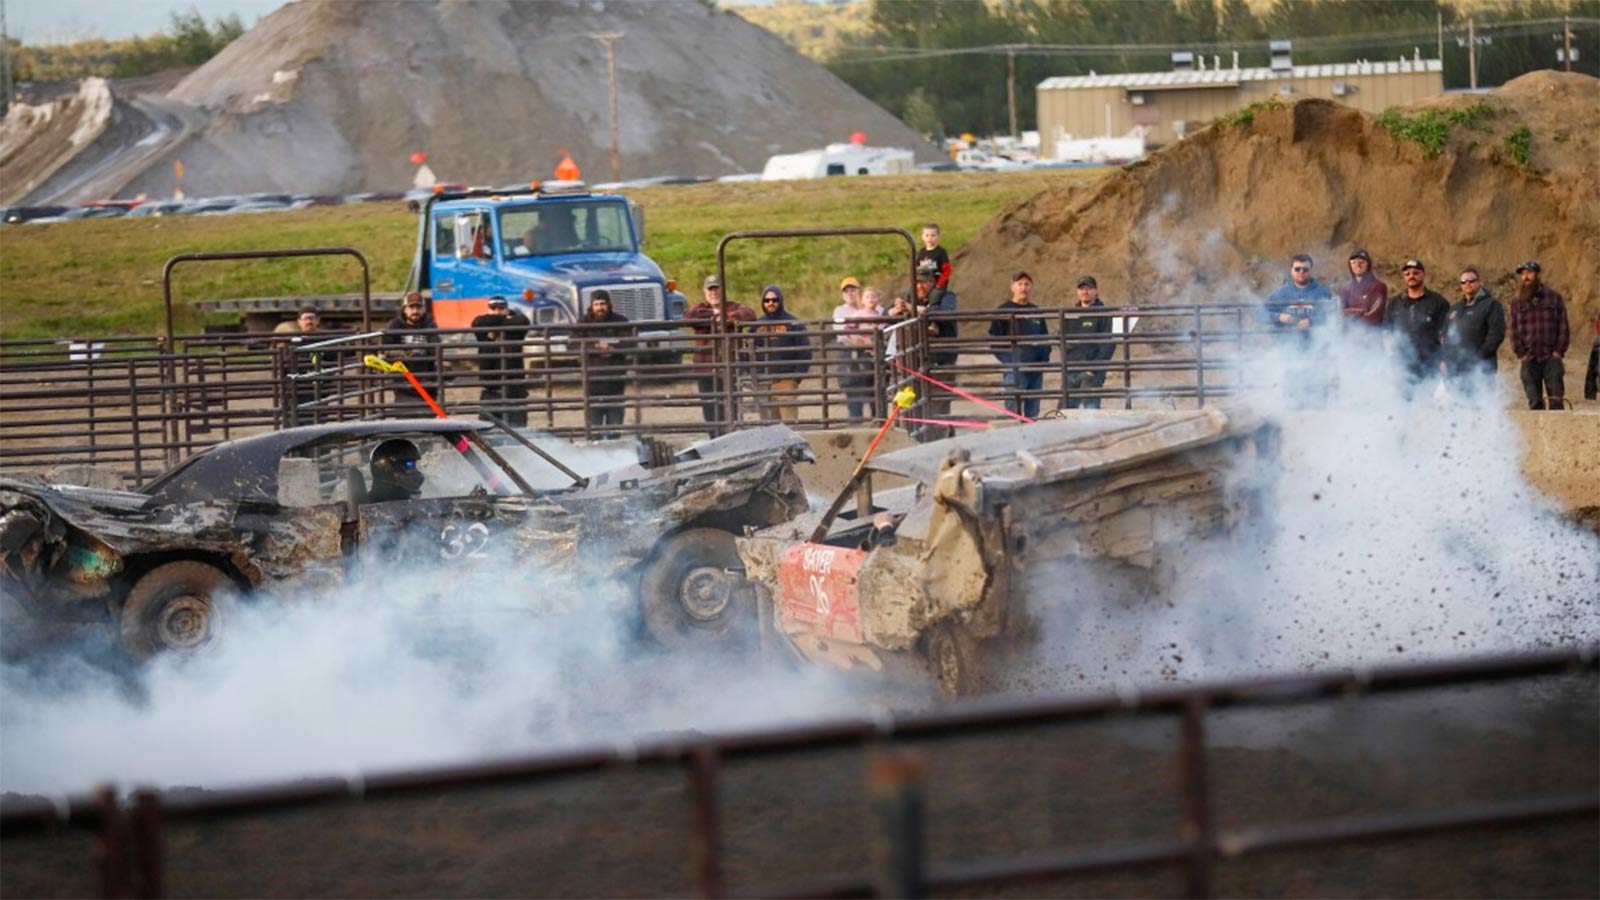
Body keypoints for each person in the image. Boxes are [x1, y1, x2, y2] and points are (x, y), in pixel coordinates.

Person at [684, 274, 756, 428]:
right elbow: (689, 316)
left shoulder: (734, 307)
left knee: (731, 408)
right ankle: (714, 440)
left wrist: (724, 317)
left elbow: (749, 314)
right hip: (705, 369)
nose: (714, 293)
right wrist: (716, 317)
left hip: (729, 368)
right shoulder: (700, 308)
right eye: (710, 289)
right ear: (705, 292)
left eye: (717, 289)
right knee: (710, 411)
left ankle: (731, 439)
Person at [1508, 260, 1571, 411]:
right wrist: (1521, 353)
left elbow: (1563, 326)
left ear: (1537, 275)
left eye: (1529, 273)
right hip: (1529, 359)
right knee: (1534, 403)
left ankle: (1556, 433)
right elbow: (1514, 330)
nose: (1526, 277)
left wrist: (1558, 352)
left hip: (1551, 357)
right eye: (1523, 274)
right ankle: (1538, 434)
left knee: (1556, 401)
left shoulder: (1554, 298)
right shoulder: (1517, 302)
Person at [988, 271, 1051, 420]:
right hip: (1015, 369)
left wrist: (1043, 360)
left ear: (1031, 287)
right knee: (1012, 409)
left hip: (1035, 369)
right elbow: (994, 340)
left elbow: (1045, 337)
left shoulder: (1036, 311)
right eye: (1020, 284)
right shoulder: (1003, 310)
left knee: (1033, 411)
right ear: (1012, 287)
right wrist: (1009, 361)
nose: (1023, 288)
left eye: (1027, 284)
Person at [1384, 258, 1450, 386]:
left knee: (1426, 403)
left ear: (1424, 275)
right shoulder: (1394, 303)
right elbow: (1387, 333)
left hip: (1430, 365)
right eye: (1407, 274)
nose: (1411, 276)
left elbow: (1445, 335)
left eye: (1415, 273)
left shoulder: (1438, 302)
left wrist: (1445, 360)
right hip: (1401, 366)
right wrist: (1390, 357)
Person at [751, 284, 811, 423]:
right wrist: (754, 373)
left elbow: (805, 351)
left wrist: (795, 378)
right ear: (763, 302)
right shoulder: (757, 325)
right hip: (764, 380)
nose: (770, 303)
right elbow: (749, 350)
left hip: (786, 379)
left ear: (780, 300)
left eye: (774, 299)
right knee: (768, 424)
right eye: (767, 300)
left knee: (789, 423)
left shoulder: (793, 323)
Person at [578, 290, 631, 438]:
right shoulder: (583, 323)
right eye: (596, 304)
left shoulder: (620, 321)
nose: (599, 307)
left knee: (615, 414)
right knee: (594, 416)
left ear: (608, 304)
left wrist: (613, 348)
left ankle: (614, 444)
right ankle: (595, 443)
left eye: (602, 304)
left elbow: (630, 342)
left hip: (615, 377)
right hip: (592, 377)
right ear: (591, 305)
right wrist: (592, 348)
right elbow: (573, 344)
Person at [470, 296, 530, 427]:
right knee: (488, 434)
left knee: (519, 433)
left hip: (514, 390)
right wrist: (504, 322)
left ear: (507, 310)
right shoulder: (482, 325)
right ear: (488, 310)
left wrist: (495, 327)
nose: (497, 311)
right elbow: (476, 323)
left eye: (501, 308)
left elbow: (523, 321)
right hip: (491, 390)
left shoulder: (516, 326)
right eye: (493, 308)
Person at [1441, 267, 1506, 385]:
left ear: (1479, 282)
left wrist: (1477, 358)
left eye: (1471, 281)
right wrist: (1445, 360)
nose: (1467, 284)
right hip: (1455, 370)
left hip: (1481, 369)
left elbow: (1496, 335)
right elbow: (1445, 336)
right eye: (1463, 282)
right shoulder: (1455, 309)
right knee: (1457, 403)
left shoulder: (1491, 305)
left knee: (1479, 403)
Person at [1062, 276, 1114, 409]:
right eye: (1081, 288)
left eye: (1089, 288)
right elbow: (1061, 339)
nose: (1085, 292)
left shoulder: (1104, 314)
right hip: (1071, 370)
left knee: (1090, 412)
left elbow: (1108, 345)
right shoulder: (1069, 315)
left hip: (1091, 373)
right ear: (1077, 292)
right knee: (1063, 412)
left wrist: (1093, 368)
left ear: (1096, 291)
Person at [384, 292, 443, 408]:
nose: (415, 311)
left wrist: (423, 352)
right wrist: (402, 354)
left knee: (427, 420)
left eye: (418, 307)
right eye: (411, 307)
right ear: (404, 309)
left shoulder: (430, 325)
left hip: (426, 382)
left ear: (424, 309)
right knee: (404, 418)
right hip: (403, 382)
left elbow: (436, 348)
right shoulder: (395, 325)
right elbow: (385, 348)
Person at [832, 276, 875, 422]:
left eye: (853, 290)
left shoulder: (871, 306)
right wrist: (867, 341)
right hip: (851, 356)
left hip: (870, 356)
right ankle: (857, 424)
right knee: (854, 395)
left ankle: (878, 423)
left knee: (875, 393)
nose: (850, 293)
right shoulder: (839, 311)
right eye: (846, 291)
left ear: (860, 291)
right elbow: (844, 334)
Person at [1262, 254, 1334, 338]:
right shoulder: (1280, 293)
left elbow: (1332, 316)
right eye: (1297, 269)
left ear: (1311, 271)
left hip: (1317, 345)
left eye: (1305, 269)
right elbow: (1259, 313)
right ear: (1291, 271)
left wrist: (1312, 321)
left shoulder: (1322, 292)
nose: (1301, 272)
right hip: (1285, 346)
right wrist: (1279, 317)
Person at [1339, 249, 1388, 329]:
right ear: (1350, 266)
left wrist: (1350, 313)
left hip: (1371, 336)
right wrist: (1361, 311)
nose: (1358, 265)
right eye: (1354, 262)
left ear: (1368, 265)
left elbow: (1374, 317)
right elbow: (1341, 314)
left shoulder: (1379, 287)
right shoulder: (1345, 288)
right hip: (1348, 338)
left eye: (1361, 262)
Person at [367, 438, 425, 503]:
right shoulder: (371, 507)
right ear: (387, 470)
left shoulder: (409, 503)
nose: (417, 474)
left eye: (414, 465)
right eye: (409, 465)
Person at [914, 223, 951, 305]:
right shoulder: (921, 253)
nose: (929, 238)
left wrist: (940, 284)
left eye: (933, 235)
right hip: (923, 284)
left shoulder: (941, 252)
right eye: (927, 235)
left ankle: (931, 312)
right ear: (922, 237)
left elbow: (947, 271)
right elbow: (916, 270)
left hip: (937, 284)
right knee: (911, 293)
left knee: (934, 295)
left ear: (938, 237)